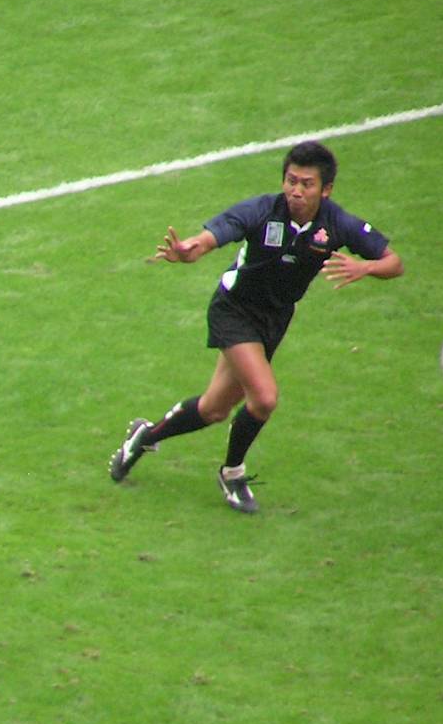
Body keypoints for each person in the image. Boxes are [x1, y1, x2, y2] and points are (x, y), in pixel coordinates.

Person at [109, 140, 404, 513]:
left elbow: (394, 263)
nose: (296, 191)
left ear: (326, 189)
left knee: (214, 409)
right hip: (233, 311)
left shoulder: (338, 224)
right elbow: (219, 232)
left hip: (273, 320)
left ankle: (144, 436)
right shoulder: (263, 211)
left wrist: (366, 267)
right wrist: (193, 248)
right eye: (291, 181)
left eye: (307, 184)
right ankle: (232, 473)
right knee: (264, 398)